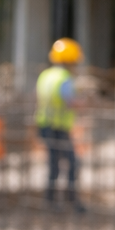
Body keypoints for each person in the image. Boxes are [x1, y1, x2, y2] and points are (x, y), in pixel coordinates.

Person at [35, 37, 85, 212]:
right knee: (72, 163)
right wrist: (86, 101)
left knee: (54, 164)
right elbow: (70, 102)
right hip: (59, 128)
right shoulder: (65, 78)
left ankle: (50, 200)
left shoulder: (45, 75)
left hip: (44, 125)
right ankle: (70, 200)